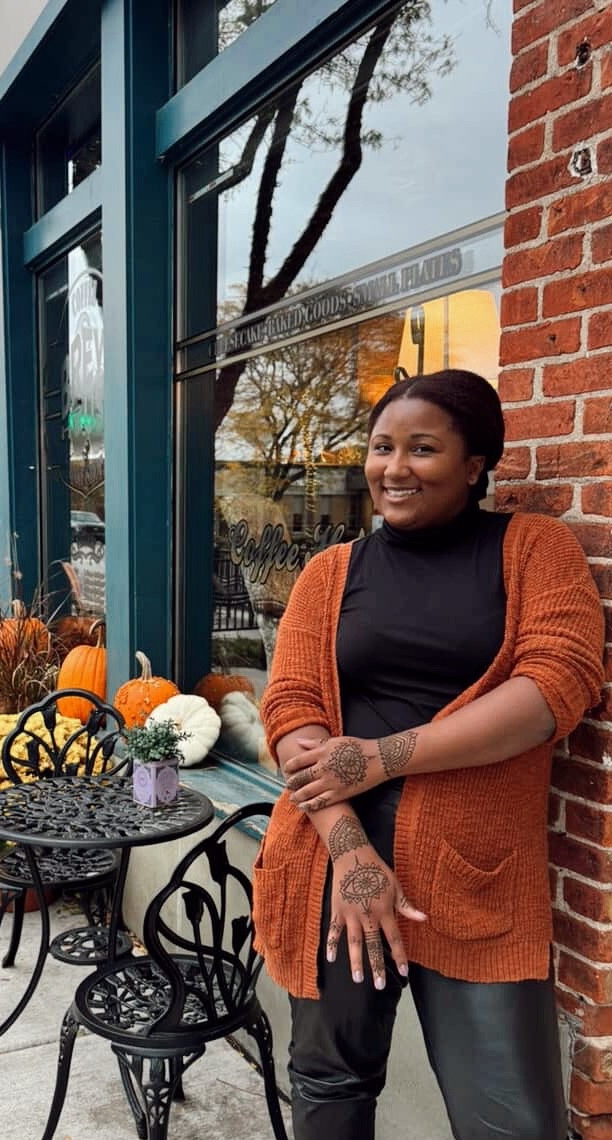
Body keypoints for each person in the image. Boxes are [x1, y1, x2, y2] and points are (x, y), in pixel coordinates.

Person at [251, 369, 605, 1140]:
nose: (394, 468)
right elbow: (292, 711)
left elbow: (556, 687)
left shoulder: (533, 550)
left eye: (422, 448)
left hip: (478, 877)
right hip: (331, 862)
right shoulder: (329, 574)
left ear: (475, 464)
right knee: (329, 1089)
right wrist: (352, 854)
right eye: (381, 447)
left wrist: (381, 757)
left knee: (512, 1122)